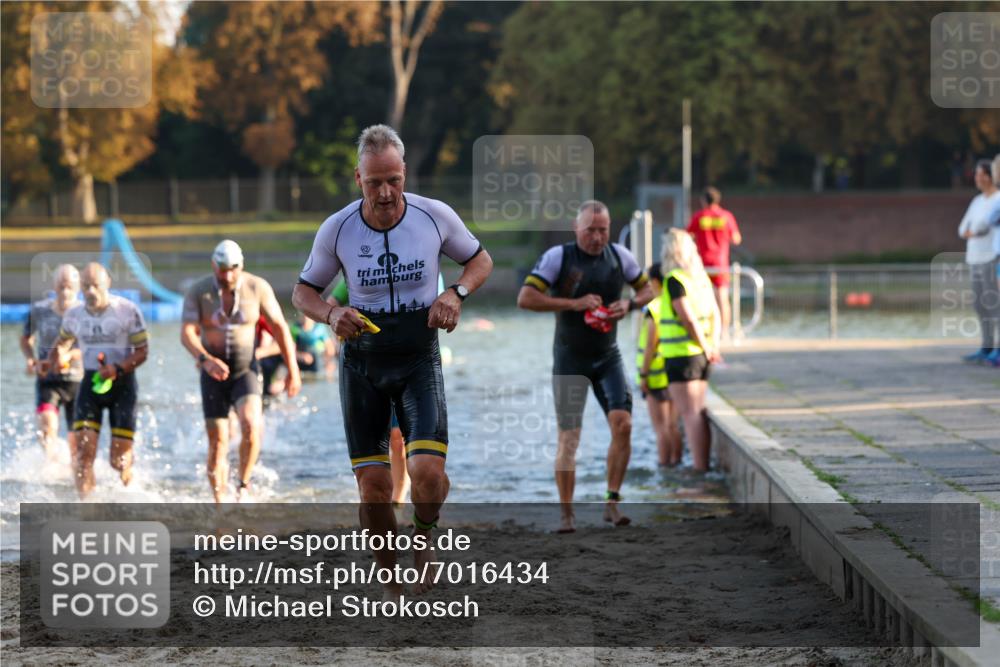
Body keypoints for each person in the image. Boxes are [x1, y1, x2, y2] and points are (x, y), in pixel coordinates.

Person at [292, 124, 493, 597]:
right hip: (362, 363)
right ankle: (390, 580)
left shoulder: (433, 216)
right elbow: (303, 292)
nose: (385, 193)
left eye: (393, 181)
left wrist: (455, 293)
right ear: (357, 178)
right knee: (376, 490)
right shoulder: (338, 228)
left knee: (427, 475)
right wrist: (331, 312)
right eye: (374, 182)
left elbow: (480, 260)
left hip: (419, 357)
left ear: (405, 173)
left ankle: (424, 542)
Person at [517, 200, 654, 533]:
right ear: (576, 229)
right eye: (590, 230)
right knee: (570, 438)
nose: (597, 236)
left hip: (608, 357)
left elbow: (649, 289)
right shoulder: (558, 258)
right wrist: (573, 303)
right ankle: (567, 514)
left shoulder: (621, 256)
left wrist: (631, 303)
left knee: (623, 425)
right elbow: (525, 298)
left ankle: (612, 502)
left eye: (603, 230)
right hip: (570, 359)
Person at [181, 240, 302, 503]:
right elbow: (187, 333)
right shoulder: (199, 292)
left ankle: (243, 484)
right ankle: (218, 502)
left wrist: (293, 369)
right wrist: (204, 359)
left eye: (232, 269)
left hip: (245, 369)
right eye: (222, 269)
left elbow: (280, 327)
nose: (227, 275)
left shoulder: (256, 287)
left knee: (251, 426)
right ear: (214, 265)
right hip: (212, 372)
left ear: (241, 265)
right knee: (218, 440)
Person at [49, 263, 149, 498]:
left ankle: (130, 490)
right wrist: (57, 357)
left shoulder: (127, 310)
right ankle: (87, 508)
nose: (90, 291)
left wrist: (117, 368)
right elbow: (62, 342)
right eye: (85, 286)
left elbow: (143, 351)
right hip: (90, 384)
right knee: (84, 454)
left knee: (118, 460)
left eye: (96, 286)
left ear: (108, 284)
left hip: (122, 385)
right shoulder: (74, 314)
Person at [331, 277, 409, 508]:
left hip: (406, 365)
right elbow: (331, 304)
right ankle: (374, 494)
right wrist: (342, 324)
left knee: (398, 438)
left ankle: (398, 499)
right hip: (365, 367)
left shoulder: (420, 266)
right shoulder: (358, 275)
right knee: (372, 441)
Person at [656, 229, 722, 472]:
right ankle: (701, 466)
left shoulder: (675, 279)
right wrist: (711, 345)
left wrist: (704, 347)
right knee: (698, 411)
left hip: (682, 355)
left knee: (690, 414)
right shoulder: (700, 278)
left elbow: (688, 318)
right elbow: (715, 313)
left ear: (669, 251)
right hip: (701, 355)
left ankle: (698, 469)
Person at [19, 264, 83, 462]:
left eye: (69, 287)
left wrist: (69, 356)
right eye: (61, 287)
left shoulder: (84, 312)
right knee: (48, 425)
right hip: (48, 378)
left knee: (76, 440)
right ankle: (50, 469)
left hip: (77, 380)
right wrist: (30, 359)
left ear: (78, 288)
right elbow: (25, 338)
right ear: (54, 287)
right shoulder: (40, 310)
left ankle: (74, 471)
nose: (65, 292)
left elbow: (91, 347)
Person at [635, 263, 682, 467]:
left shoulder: (654, 308)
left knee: (661, 428)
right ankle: (677, 463)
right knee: (672, 426)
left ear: (655, 281)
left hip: (655, 376)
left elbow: (650, 346)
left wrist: (644, 376)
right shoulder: (674, 303)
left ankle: (664, 467)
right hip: (672, 371)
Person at [957, 160, 1000, 364]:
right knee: (979, 304)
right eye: (976, 175)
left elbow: (984, 225)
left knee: (993, 303)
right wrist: (971, 232)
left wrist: (974, 232)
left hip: (990, 257)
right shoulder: (976, 201)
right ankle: (986, 345)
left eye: (981, 174)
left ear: (990, 176)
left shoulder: (998, 199)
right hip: (973, 257)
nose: (977, 178)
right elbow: (962, 229)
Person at [686, 187, 742, 339]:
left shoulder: (699, 216)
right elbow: (736, 238)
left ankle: (705, 331)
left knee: (699, 297)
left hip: (703, 264)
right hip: (720, 263)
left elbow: (687, 235)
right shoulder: (726, 216)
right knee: (722, 298)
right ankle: (724, 332)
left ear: (704, 200)